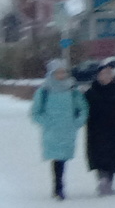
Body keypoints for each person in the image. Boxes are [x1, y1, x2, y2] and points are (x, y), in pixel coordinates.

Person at [29, 60, 87, 199]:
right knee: (57, 158)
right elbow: (35, 112)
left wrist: (77, 122)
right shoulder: (44, 91)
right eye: (58, 72)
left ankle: (59, 186)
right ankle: (58, 187)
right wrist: (47, 122)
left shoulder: (72, 89)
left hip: (68, 129)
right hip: (52, 131)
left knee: (63, 158)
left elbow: (83, 108)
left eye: (64, 71)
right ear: (52, 73)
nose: (62, 74)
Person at [83, 59, 115, 197]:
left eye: (109, 73)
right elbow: (82, 111)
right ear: (98, 75)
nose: (107, 76)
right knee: (99, 158)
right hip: (96, 132)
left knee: (113, 157)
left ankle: (109, 183)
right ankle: (102, 180)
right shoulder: (90, 93)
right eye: (104, 73)